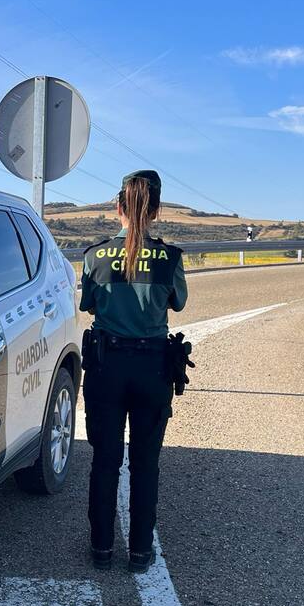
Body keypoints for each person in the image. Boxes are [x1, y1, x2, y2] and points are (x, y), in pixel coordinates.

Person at [80, 170, 187, 572]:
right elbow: (178, 303)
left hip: (106, 366)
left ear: (118, 207)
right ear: (156, 210)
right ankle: (141, 551)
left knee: (105, 460)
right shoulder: (169, 257)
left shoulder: (95, 256)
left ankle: (101, 549)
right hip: (152, 368)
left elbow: (89, 305)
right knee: (145, 463)